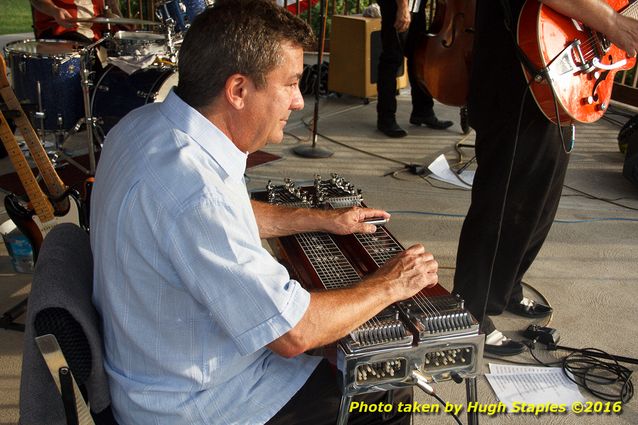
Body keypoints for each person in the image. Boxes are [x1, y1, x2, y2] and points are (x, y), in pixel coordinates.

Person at [90, 1, 439, 424]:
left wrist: (321, 218)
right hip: (199, 404)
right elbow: (294, 332)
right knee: (385, 391)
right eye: (291, 83)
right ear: (238, 90)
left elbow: (216, 217)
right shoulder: (197, 192)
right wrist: (389, 283)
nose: (297, 100)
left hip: (151, 371)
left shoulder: (144, 126)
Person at [453, 0, 638, 356]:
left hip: (557, 71)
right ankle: (470, 312)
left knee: (540, 201)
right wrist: (611, 22)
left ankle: (506, 286)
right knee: (506, 204)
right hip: (517, 76)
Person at [376, 0, 453, 138]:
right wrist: (402, 7)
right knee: (392, 58)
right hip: (398, 5)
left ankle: (423, 112)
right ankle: (385, 119)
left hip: (416, 4)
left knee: (417, 56)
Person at [30, 0, 126, 42]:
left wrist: (124, 26)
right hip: (60, 30)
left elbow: (111, 5)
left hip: (97, 33)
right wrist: (54, 10)